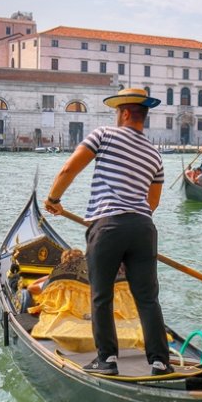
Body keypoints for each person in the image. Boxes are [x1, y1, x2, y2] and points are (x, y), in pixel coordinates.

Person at [43, 88, 173, 377]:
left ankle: (107, 360)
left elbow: (69, 169)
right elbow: (153, 202)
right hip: (143, 228)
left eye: (117, 112)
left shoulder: (103, 135)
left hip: (107, 225)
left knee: (101, 295)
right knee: (147, 298)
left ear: (125, 113)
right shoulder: (155, 154)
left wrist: (53, 199)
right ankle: (160, 361)